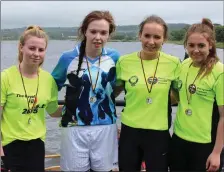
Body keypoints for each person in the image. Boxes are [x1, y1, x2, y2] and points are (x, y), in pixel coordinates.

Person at [51, 10, 120, 171]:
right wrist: (53, 108)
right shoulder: (68, 57)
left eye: (103, 33)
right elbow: (51, 85)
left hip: (105, 126)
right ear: (84, 31)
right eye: (93, 31)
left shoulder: (114, 57)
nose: (98, 37)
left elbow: (117, 86)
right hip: (74, 127)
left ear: (109, 34)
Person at [116, 15, 181, 171]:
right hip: (130, 131)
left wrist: (159, 102)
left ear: (164, 39)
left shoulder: (174, 63)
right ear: (140, 35)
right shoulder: (124, 61)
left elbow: (178, 96)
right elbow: (113, 92)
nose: (151, 42)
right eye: (147, 36)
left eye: (157, 37)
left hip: (159, 132)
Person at [0, 25, 62, 171]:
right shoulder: (6, 77)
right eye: (32, 48)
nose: (36, 53)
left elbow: (52, 111)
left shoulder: (48, 80)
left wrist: (76, 105)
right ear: (21, 47)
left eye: (41, 50)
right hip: (10, 146)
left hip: (37, 145)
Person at [170, 18, 224, 172]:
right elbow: (178, 97)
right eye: (191, 45)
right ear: (185, 45)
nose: (195, 50)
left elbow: (223, 116)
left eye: (201, 45)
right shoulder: (183, 65)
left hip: (205, 144)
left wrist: (217, 152)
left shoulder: (219, 71)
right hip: (179, 139)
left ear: (211, 45)